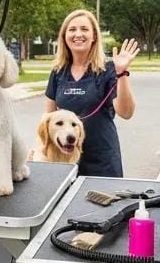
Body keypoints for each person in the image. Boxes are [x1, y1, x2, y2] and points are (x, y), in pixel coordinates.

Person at [45, 9, 139, 176]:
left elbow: (126, 112)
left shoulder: (108, 70)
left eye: (84, 29)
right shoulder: (58, 72)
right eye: (72, 29)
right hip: (66, 161)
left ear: (94, 36)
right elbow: (48, 119)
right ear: (64, 36)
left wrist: (121, 73)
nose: (78, 34)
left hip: (102, 160)